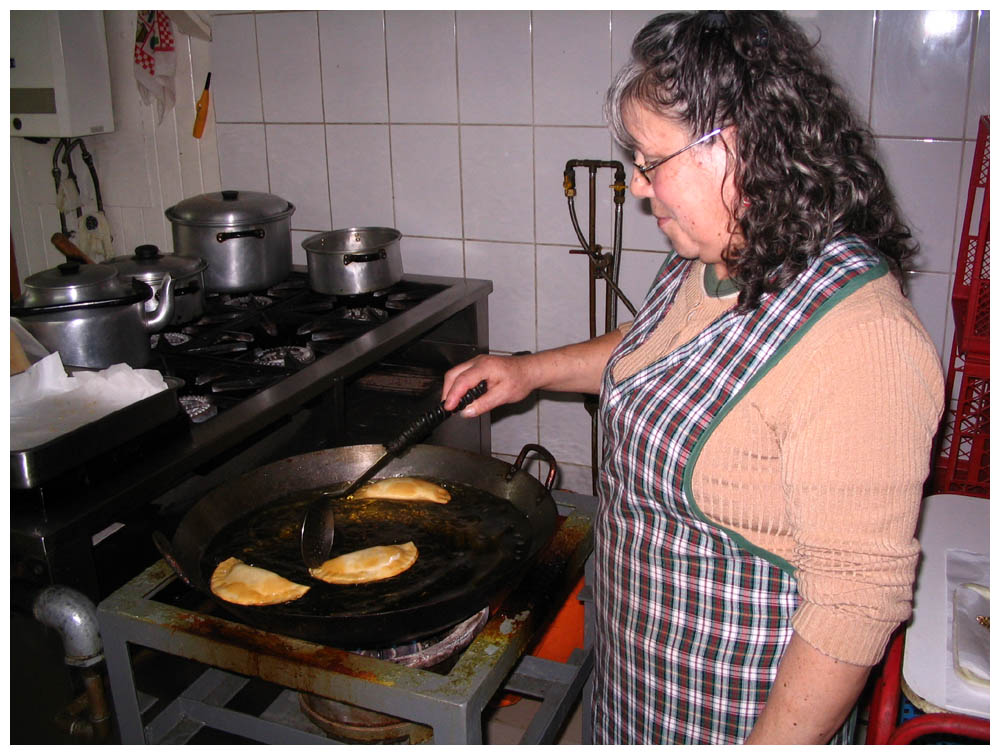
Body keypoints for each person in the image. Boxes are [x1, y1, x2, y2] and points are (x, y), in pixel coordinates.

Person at [442, 10, 944, 745]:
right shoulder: (714, 257)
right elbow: (651, 351)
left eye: (651, 161)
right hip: (636, 686)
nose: (641, 190)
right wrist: (527, 371)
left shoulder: (863, 340)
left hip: (732, 721)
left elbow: (854, 608)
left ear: (737, 143)